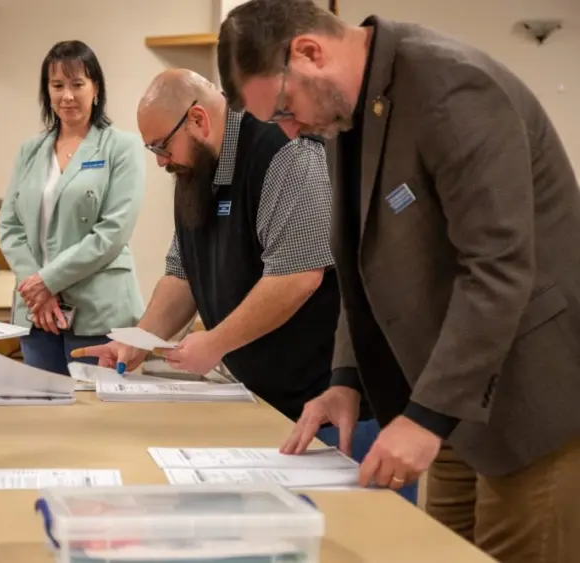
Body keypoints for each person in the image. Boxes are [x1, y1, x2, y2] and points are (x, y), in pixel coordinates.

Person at [220, 0, 580, 559]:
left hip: (532, 400)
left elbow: (497, 269)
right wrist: (345, 379)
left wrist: (425, 419)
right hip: (453, 401)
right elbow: (361, 265)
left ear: (309, 52)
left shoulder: (451, 88)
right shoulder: (346, 114)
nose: (290, 133)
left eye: (284, 108)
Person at [76, 68, 415, 503]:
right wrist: (140, 340)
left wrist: (215, 342)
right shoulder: (193, 172)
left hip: (333, 405)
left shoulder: (282, 153)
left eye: (161, 146)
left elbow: (297, 276)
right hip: (263, 404)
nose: (160, 161)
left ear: (198, 120)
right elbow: (184, 274)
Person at [0, 40, 146, 375]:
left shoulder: (121, 147)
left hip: (99, 310)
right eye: (57, 85)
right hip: (37, 312)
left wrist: (48, 280)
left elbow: (113, 231)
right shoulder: (30, 151)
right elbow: (9, 226)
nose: (67, 95)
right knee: (41, 417)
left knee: (95, 420)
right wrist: (37, 289)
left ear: (96, 88)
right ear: (46, 91)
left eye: (77, 84)